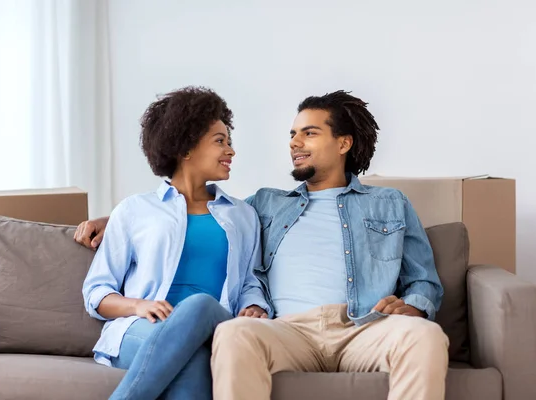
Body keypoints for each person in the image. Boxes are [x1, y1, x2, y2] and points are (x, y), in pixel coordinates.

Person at [76, 90, 448, 400]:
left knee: (426, 336)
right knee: (233, 335)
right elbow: (183, 209)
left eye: (309, 133)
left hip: (364, 325)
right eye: (292, 134)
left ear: (344, 143)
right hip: (288, 330)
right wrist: (112, 221)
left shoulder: (388, 203)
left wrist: (413, 307)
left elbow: (423, 281)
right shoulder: (267, 204)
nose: (294, 143)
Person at [80, 86, 270, 400]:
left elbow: (251, 280)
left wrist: (253, 305)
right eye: (219, 141)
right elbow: (97, 292)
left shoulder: (243, 215)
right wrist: (139, 306)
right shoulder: (133, 211)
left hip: (217, 328)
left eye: (229, 141)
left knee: (200, 306)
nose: (231, 151)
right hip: (140, 329)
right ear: (185, 149)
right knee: (192, 360)